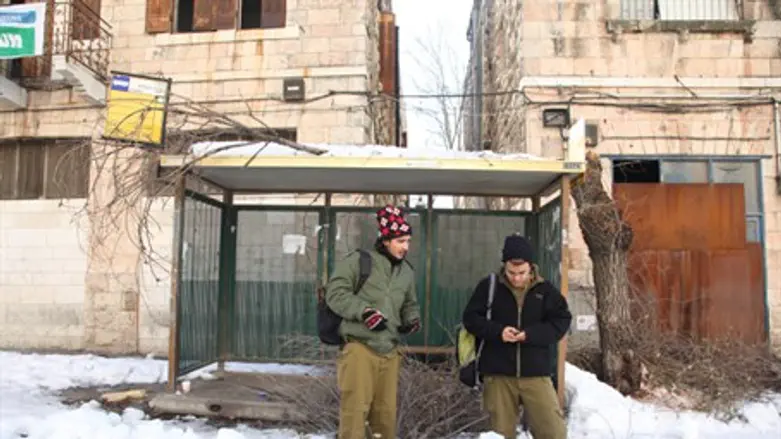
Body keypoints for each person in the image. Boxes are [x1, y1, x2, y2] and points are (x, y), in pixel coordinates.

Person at [325, 205, 422, 439]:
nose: (406, 247)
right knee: (355, 416)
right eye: (401, 241)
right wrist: (365, 312)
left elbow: (410, 303)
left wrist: (411, 319)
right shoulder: (359, 262)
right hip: (359, 348)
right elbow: (335, 294)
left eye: (408, 241)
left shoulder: (406, 272)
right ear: (386, 240)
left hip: (389, 351)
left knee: (385, 418)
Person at [462, 234, 572, 439]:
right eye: (511, 272)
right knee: (499, 435)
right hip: (498, 375)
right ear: (504, 266)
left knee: (554, 432)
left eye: (521, 272)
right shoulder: (489, 287)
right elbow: (470, 319)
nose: (516, 278)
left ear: (531, 267)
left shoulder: (545, 291)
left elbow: (561, 321)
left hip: (536, 374)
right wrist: (498, 332)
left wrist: (530, 335)